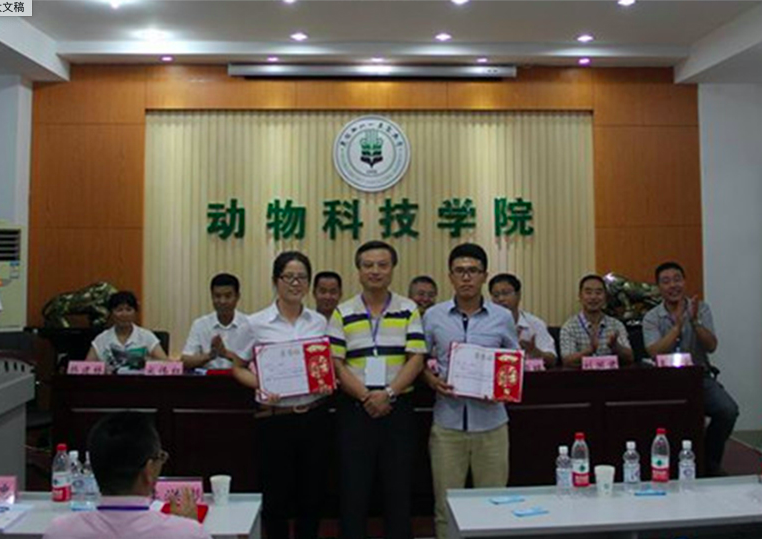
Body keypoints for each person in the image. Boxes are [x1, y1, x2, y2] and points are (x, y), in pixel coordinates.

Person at [327, 240, 426, 539]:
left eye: (382, 265)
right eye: (368, 265)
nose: (375, 271)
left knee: (399, 488)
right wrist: (366, 396)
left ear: (392, 269)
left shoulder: (408, 309)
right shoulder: (342, 312)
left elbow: (416, 358)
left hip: (398, 409)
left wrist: (389, 394)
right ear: (358, 271)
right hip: (355, 410)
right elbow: (336, 363)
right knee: (353, 488)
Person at [232, 251, 332, 539]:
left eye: (302, 277)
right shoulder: (255, 323)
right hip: (275, 419)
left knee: (312, 497)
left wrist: (325, 381)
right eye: (289, 277)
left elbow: (323, 364)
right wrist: (261, 385)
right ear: (276, 281)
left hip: (314, 416)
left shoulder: (319, 322)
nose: (295, 283)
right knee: (276, 497)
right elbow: (237, 367)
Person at [421, 244, 518, 539]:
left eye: (473, 271)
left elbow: (513, 363)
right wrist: (431, 380)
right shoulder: (433, 316)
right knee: (446, 507)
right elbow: (418, 361)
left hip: (492, 425)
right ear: (450, 276)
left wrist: (503, 387)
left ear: (484, 276)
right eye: (460, 271)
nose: (466, 277)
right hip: (447, 426)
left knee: (494, 505)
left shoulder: (502, 317)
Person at [43, 412, 210, 539]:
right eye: (160, 458)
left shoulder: (59, 531)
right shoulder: (189, 533)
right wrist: (186, 526)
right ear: (148, 470)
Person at [642, 261, 739, 476]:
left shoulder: (701, 309)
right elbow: (655, 352)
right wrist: (676, 327)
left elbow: (711, 346)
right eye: (666, 281)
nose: (673, 285)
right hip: (665, 380)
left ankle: (709, 462)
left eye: (677, 279)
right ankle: (664, 464)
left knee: (728, 410)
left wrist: (694, 322)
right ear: (659, 287)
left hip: (698, 378)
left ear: (684, 282)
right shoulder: (651, 317)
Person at [559, 274, 634, 368]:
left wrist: (615, 346)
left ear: (605, 297)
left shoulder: (616, 325)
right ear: (580, 297)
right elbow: (566, 361)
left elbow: (630, 358)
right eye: (588, 292)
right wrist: (589, 350)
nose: (593, 297)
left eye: (598, 293)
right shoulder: (569, 327)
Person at [181, 273, 253, 369]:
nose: (222, 301)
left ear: (237, 297)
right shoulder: (200, 324)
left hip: (239, 377)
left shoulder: (249, 324)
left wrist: (226, 354)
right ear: (212, 297)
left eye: (228, 296)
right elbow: (185, 361)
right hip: (208, 377)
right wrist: (210, 355)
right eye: (217, 296)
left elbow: (254, 364)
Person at [85, 291, 168, 372]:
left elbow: (166, 364)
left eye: (129, 310)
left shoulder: (146, 336)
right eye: (119, 310)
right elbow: (85, 368)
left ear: (135, 313)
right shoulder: (102, 339)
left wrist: (145, 362)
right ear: (111, 313)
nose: (124, 314)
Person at [489, 273, 557, 369]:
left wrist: (536, 352)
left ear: (518, 295)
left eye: (506, 293)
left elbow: (552, 360)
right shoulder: (486, 325)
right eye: (496, 295)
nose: (501, 299)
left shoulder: (535, 324)